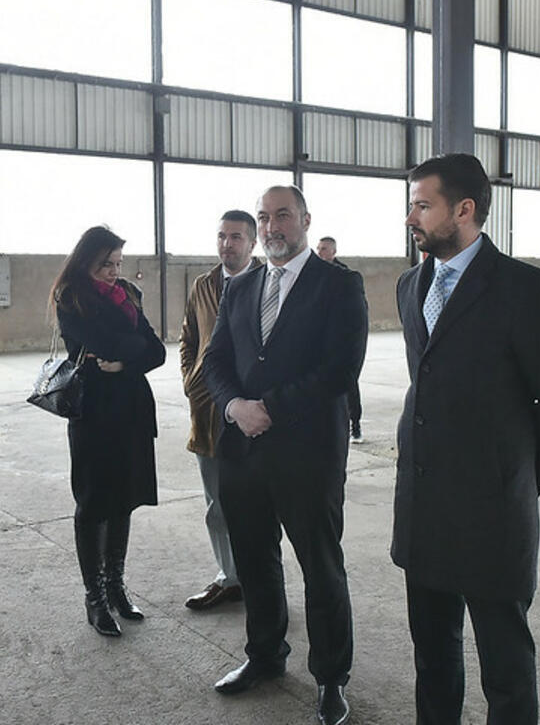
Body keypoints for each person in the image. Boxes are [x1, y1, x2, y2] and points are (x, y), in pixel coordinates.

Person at [393, 154, 540, 725]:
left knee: (506, 667)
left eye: (422, 205)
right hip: (424, 508)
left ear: (464, 210)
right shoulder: (410, 285)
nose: (411, 217)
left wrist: (516, 480)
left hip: (493, 517)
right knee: (433, 659)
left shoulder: (524, 289)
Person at [204, 185, 368, 725]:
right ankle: (265, 655)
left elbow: (339, 370)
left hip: (308, 455)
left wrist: (269, 408)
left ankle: (331, 677)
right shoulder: (241, 286)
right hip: (242, 453)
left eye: (282, 216)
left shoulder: (338, 285)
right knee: (254, 562)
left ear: (305, 220)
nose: (272, 227)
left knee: (321, 568)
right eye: (264, 217)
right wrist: (235, 407)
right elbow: (215, 361)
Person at [51, 226, 166, 638]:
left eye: (118, 263)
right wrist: (129, 350)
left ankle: (116, 585)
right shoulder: (71, 298)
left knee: (124, 500)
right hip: (94, 413)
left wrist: (122, 363)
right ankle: (95, 596)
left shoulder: (128, 295)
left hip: (132, 412)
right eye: (106, 265)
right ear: (86, 262)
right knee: (93, 502)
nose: (115, 272)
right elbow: (105, 341)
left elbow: (157, 351)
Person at [179, 210, 259, 611]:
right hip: (208, 411)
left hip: (251, 414)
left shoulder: (267, 282)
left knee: (257, 505)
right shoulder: (203, 285)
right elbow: (188, 338)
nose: (227, 244)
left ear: (253, 243)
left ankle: (259, 579)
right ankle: (229, 578)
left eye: (236, 237)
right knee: (216, 503)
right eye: (222, 236)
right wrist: (191, 382)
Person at [315, 236, 365, 443]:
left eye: (324, 249)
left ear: (333, 252)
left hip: (341, 339)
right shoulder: (312, 274)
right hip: (320, 340)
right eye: (318, 248)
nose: (320, 252)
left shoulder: (346, 277)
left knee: (349, 384)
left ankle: (356, 426)